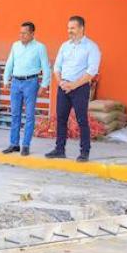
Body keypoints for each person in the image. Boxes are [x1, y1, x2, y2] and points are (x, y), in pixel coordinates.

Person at [45, 16, 101, 162]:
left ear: (81, 28)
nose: (69, 31)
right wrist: (61, 82)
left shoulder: (91, 47)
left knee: (82, 120)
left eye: (73, 28)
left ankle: (84, 152)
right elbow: (56, 67)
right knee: (61, 119)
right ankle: (59, 149)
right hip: (63, 87)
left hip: (80, 88)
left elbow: (92, 71)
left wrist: (74, 85)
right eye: (68, 28)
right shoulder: (65, 46)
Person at [2, 22, 51, 156]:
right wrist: (6, 80)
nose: (21, 35)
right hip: (16, 82)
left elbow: (46, 68)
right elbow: (9, 63)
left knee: (29, 115)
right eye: (20, 33)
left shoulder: (40, 47)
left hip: (31, 82)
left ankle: (26, 145)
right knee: (15, 114)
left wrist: (44, 85)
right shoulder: (15, 46)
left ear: (32, 34)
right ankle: (14, 144)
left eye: (24, 33)